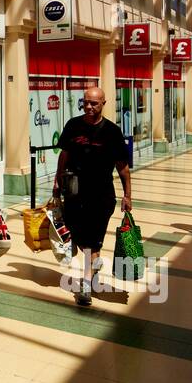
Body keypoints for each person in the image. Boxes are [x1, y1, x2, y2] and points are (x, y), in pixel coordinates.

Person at [53, 86, 132, 307]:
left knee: (92, 241)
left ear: (103, 104)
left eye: (94, 103)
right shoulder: (73, 125)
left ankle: (86, 285)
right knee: (77, 235)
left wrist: (128, 195)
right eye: (85, 102)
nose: (88, 107)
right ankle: (94, 265)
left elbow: (123, 167)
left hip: (102, 194)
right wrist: (57, 184)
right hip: (74, 192)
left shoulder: (112, 132)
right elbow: (64, 156)